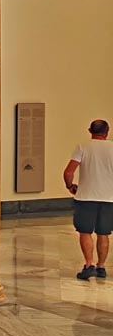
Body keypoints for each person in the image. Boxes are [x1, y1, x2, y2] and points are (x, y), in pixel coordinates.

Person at [64, 119, 113, 280]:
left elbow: (69, 172)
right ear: (107, 131)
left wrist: (70, 186)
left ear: (89, 130)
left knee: (85, 232)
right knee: (104, 233)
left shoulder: (83, 146)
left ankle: (89, 264)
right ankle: (101, 267)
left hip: (85, 197)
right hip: (108, 198)